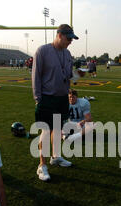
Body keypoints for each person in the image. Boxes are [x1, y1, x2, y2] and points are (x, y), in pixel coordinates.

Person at [32, 24, 84, 182]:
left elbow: (68, 75)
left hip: (62, 97)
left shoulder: (67, 53)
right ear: (59, 35)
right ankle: (42, 165)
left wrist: (78, 75)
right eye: (69, 38)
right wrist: (38, 99)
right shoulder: (42, 51)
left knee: (57, 129)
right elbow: (36, 76)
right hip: (47, 98)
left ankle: (55, 157)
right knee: (46, 131)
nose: (70, 41)